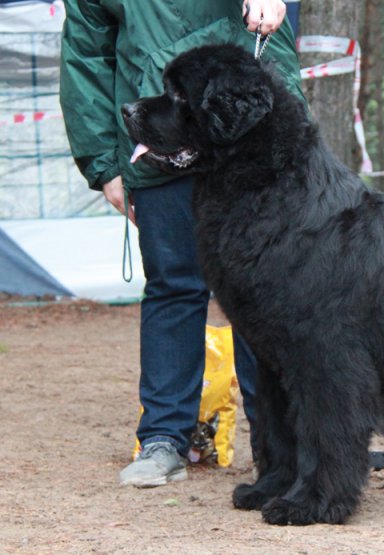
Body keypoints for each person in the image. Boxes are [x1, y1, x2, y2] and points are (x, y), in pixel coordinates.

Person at [59, 0, 303, 487]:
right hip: (159, 137)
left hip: (250, 138)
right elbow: (85, 55)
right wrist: (103, 163)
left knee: (270, 294)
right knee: (173, 287)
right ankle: (163, 440)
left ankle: (282, 446)